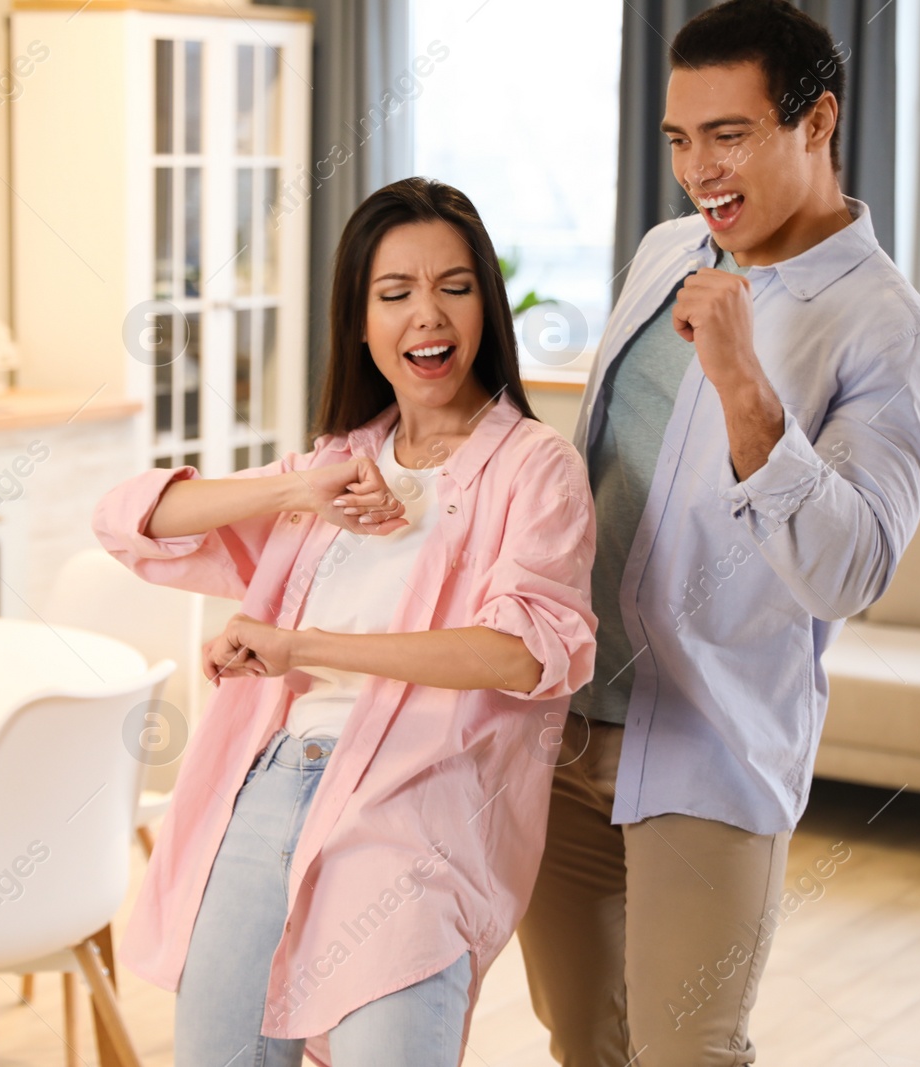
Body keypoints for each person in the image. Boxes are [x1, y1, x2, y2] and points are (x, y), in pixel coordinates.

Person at [517, 2, 920, 1064]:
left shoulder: (888, 329)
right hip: (564, 731)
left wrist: (745, 385)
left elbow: (850, 571)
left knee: (688, 1050)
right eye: (678, 138)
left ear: (817, 123)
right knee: (581, 1042)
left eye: (729, 133)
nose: (698, 168)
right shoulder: (667, 249)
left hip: (710, 745)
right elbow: (602, 470)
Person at [93, 177, 597, 1067]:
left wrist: (300, 648)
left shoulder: (535, 469)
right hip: (271, 787)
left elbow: (520, 654)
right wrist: (296, 486)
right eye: (394, 294)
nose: (426, 317)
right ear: (361, 324)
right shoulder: (337, 467)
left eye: (454, 286)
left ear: (487, 300)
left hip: (417, 811)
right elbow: (129, 520)